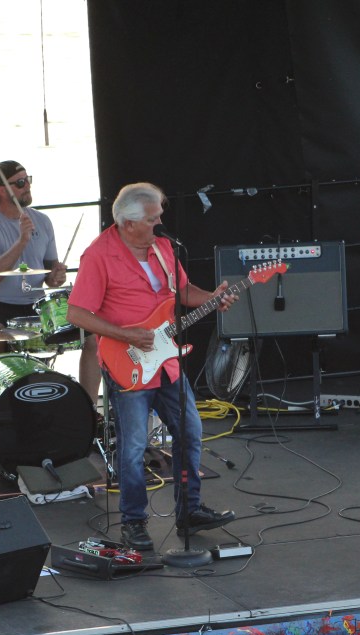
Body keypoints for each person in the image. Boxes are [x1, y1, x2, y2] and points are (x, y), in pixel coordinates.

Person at [66, 182, 238, 550]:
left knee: (190, 432)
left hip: (167, 362)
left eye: (160, 215)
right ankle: (133, 522)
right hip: (127, 362)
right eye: (152, 219)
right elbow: (77, 312)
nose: (160, 224)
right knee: (133, 447)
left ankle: (189, 510)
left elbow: (184, 292)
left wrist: (213, 298)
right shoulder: (99, 255)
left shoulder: (163, 248)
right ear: (128, 223)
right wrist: (126, 335)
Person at [0, 160, 101, 404]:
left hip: (35, 301)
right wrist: (21, 241)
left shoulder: (42, 220)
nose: (26, 186)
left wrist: (57, 275)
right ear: (1, 189)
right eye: (19, 183)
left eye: (27, 179)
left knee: (92, 338)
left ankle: (89, 407)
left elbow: (50, 276)